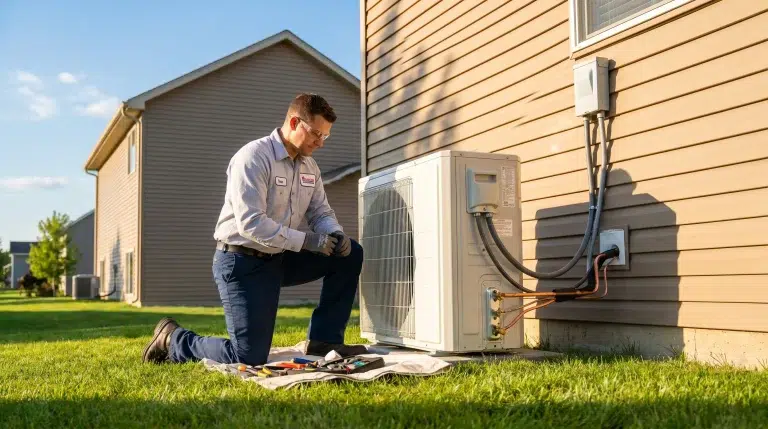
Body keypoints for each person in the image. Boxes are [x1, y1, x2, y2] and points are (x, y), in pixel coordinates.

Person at [142, 93, 366, 365]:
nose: (320, 142)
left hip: (280, 257)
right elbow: (251, 222)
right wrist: (308, 241)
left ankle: (324, 340)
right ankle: (174, 338)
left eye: (325, 136)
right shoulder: (253, 157)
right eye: (316, 134)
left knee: (349, 253)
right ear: (295, 122)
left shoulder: (310, 167)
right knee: (248, 357)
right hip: (242, 262)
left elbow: (320, 212)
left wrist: (335, 233)